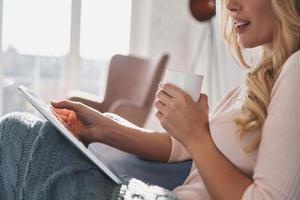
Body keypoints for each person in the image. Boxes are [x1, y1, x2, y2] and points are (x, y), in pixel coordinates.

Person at [1, 0, 299, 199]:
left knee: (15, 134)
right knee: (23, 133)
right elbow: (180, 149)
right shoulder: (264, 77)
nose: (230, 5)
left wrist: (196, 135)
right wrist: (101, 127)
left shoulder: (296, 71)